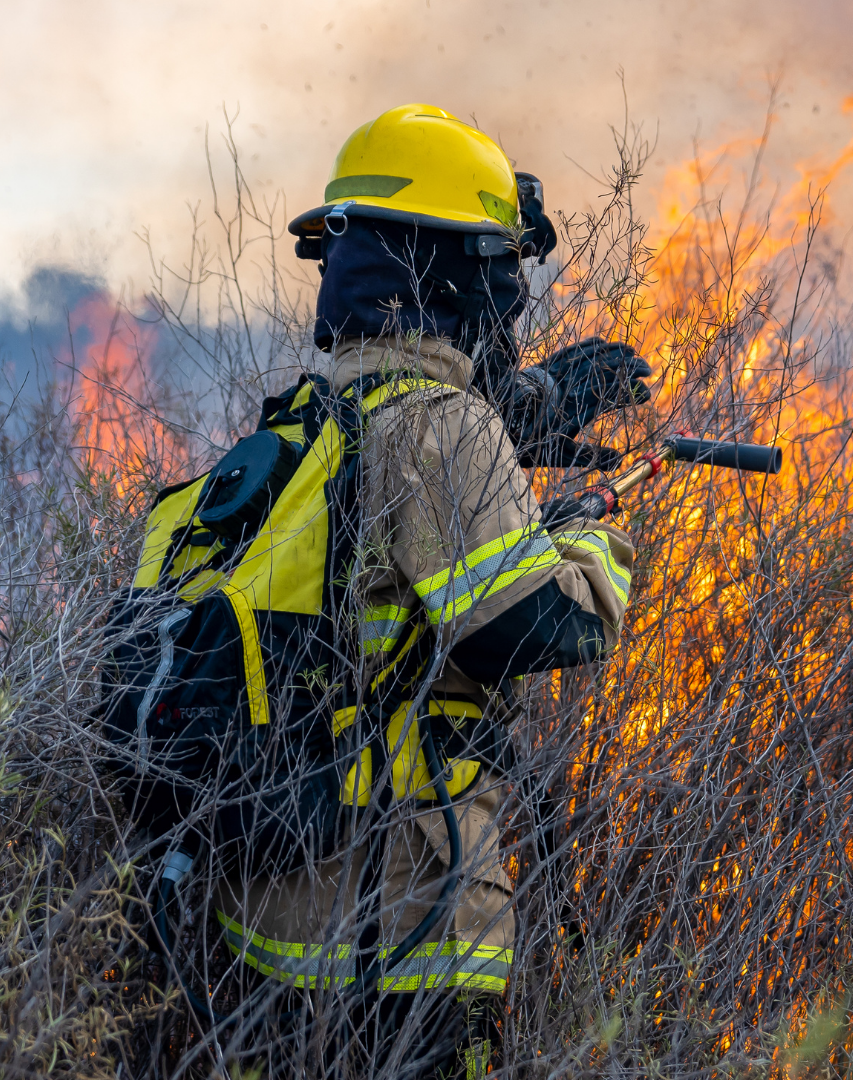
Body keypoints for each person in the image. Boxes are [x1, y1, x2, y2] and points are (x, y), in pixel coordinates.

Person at [207, 103, 651, 1078]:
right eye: (501, 262)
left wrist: (517, 418)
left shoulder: (305, 423)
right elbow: (530, 629)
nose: (515, 295)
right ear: (453, 270)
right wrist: (597, 535)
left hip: (267, 924)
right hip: (401, 928)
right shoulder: (441, 430)